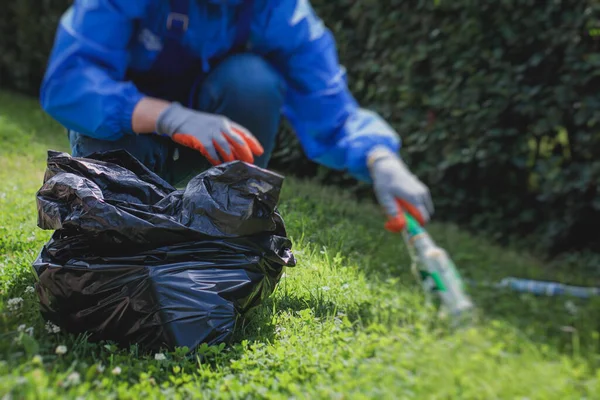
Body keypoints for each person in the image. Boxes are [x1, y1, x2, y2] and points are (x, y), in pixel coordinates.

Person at [40, 0, 434, 232]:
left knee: (253, 82)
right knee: (117, 204)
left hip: (213, 136)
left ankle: (221, 227)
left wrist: (380, 158)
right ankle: (123, 221)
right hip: (123, 130)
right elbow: (70, 83)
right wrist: (171, 118)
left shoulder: (278, 10)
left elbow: (326, 101)